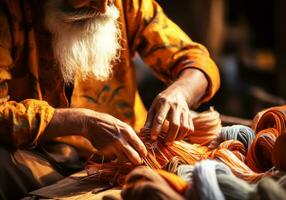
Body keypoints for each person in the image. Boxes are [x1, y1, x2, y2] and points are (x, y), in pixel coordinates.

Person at [0, 0, 220, 198]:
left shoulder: (127, 5)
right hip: (39, 156)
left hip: (131, 156)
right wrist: (81, 122)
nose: (105, 8)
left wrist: (180, 92)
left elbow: (196, 61)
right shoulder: (9, 12)